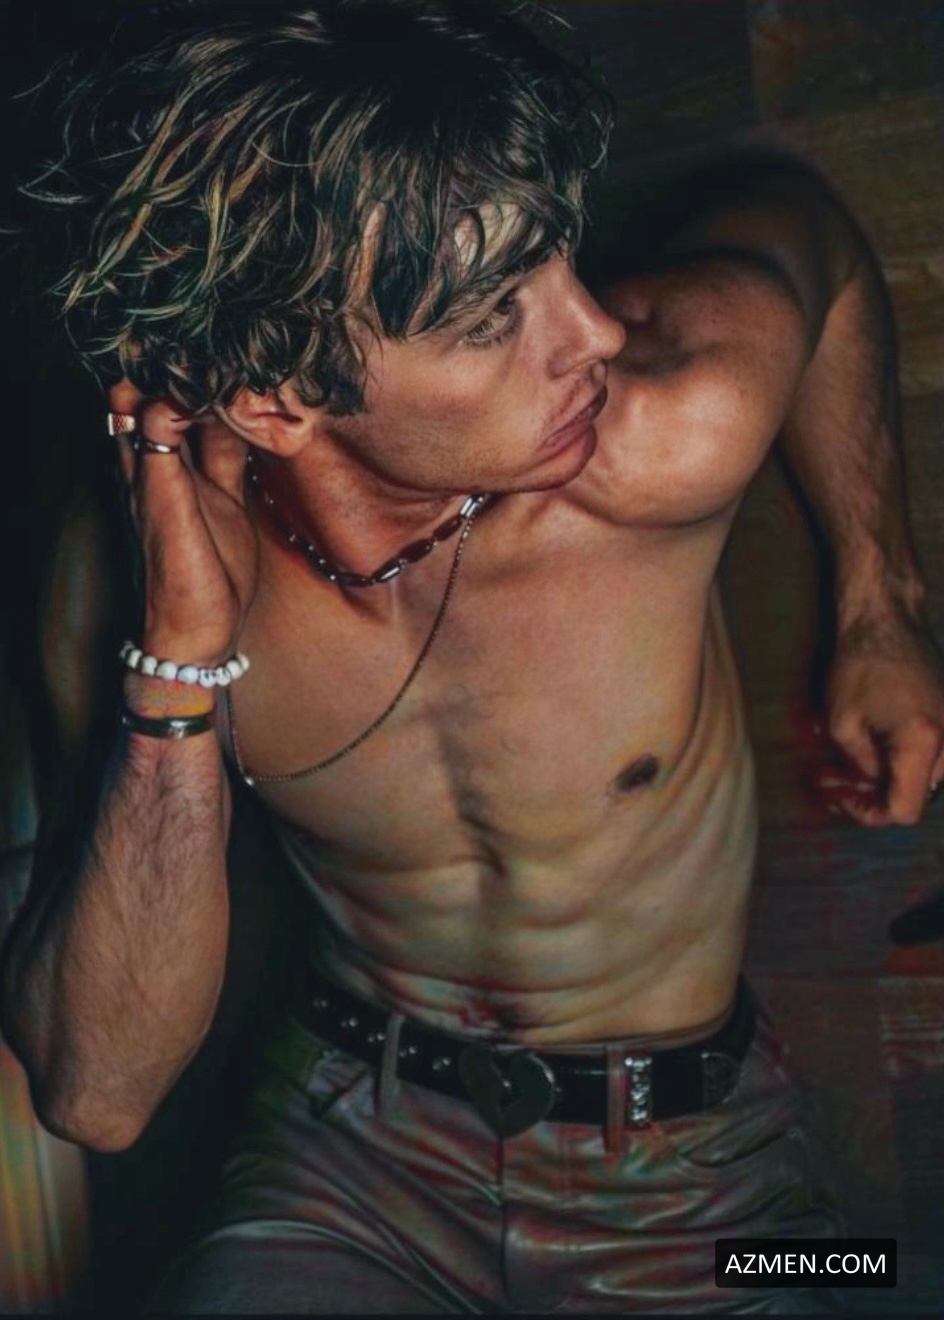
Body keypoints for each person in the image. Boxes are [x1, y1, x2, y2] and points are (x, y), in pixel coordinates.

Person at [2, 0, 943, 1312]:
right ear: (278, 400)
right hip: (346, 1172)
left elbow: (813, 236)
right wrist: (182, 660)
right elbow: (96, 1093)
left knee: (873, 1279)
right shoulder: (124, 586)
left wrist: (882, 606)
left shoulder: (666, 428)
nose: (594, 331)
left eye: (559, 256)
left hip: (699, 1187)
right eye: (497, 313)